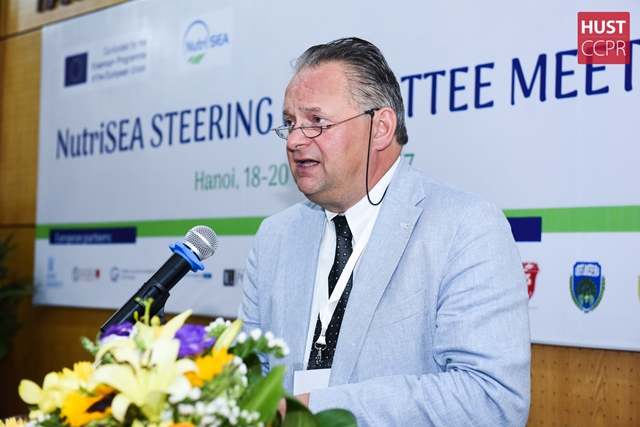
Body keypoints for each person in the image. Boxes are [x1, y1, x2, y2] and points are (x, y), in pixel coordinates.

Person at [238, 37, 531, 426]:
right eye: (290, 123)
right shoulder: (275, 236)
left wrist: (313, 408)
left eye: (316, 122)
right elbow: (249, 375)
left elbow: (491, 399)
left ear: (380, 127)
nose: (294, 140)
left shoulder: (465, 227)